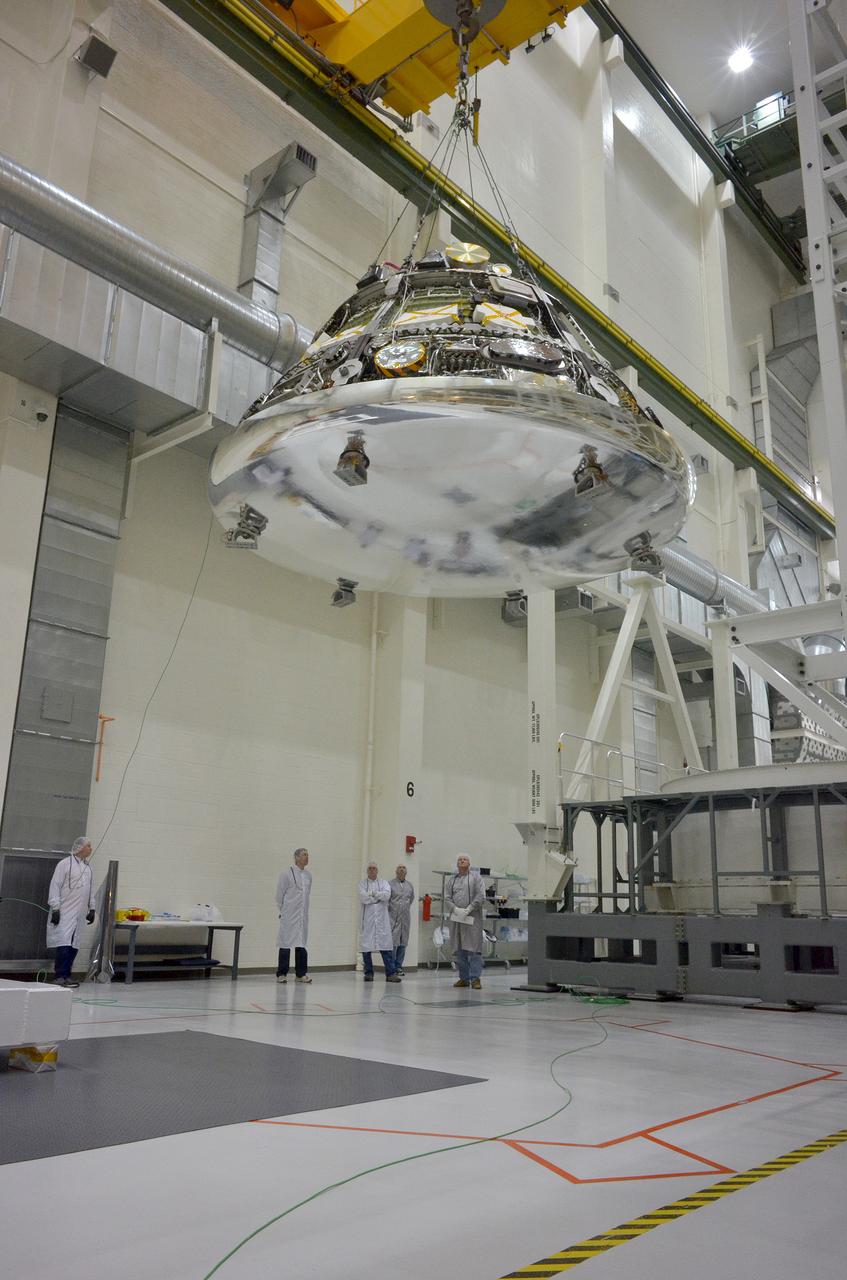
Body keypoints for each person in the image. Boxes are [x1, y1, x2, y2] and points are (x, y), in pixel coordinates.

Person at [46, 836, 96, 988]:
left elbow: (90, 889)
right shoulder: (64, 864)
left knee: (75, 943)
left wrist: (92, 908)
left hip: (80, 913)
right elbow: (55, 885)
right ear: (80, 847)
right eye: (88, 846)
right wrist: (55, 908)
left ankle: (67, 974)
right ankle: (59, 975)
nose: (90, 849)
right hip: (65, 910)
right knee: (64, 942)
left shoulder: (88, 868)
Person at [445, 853, 485, 990]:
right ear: (457, 864)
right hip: (457, 918)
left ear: (469, 863)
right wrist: (455, 909)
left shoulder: (476, 877)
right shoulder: (452, 880)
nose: (462, 861)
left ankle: (475, 979)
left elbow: (480, 895)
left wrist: (469, 909)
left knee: (474, 949)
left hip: (472, 917)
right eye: (460, 860)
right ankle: (464, 978)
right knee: (460, 949)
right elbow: (447, 897)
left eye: (465, 859)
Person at [358, 862, 400, 982]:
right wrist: (377, 897)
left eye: (374, 868)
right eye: (370, 869)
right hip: (368, 919)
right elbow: (363, 898)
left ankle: (390, 973)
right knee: (366, 947)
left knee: (385, 946)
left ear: (377, 870)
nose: (372, 870)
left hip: (382, 919)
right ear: (367, 871)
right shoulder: (362, 884)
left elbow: (387, 895)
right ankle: (369, 973)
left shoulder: (384, 883)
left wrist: (373, 893)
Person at [276, 848, 312, 983]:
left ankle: (300, 974)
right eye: (304, 855)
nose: (307, 857)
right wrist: (284, 911)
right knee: (285, 943)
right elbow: (279, 896)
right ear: (296, 858)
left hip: (302, 916)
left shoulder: (308, 876)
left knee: (301, 943)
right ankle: (282, 974)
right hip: (289, 915)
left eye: (308, 855)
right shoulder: (286, 874)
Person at [388, 864, 415, 976]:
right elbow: (387, 900)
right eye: (399, 867)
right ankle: (392, 967)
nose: (401, 869)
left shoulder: (409, 885)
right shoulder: (389, 884)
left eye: (404, 867)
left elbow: (411, 899)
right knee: (393, 943)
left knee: (403, 943)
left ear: (406, 871)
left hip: (405, 918)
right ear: (396, 871)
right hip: (393, 918)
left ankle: (399, 966)